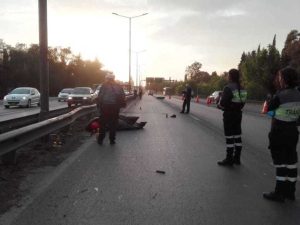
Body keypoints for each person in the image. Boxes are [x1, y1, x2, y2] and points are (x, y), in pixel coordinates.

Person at [263, 67, 300, 202]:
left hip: (279, 131)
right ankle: (290, 191)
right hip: (293, 131)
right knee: (291, 161)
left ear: (284, 79)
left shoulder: (280, 95)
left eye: (280, 77)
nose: (279, 79)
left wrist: (273, 111)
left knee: (280, 163)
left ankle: (279, 193)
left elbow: (269, 111)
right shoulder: (298, 93)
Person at [217, 69, 247, 166]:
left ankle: (229, 159)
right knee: (237, 136)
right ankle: (237, 158)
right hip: (238, 114)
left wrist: (220, 105)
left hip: (229, 115)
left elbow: (223, 103)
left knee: (229, 137)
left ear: (230, 76)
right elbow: (242, 103)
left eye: (228, 75)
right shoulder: (242, 88)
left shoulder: (228, 88)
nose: (227, 77)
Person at [97, 73, 126, 145]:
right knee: (113, 124)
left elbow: (100, 96)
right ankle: (112, 140)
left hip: (105, 107)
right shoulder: (118, 86)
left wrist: (98, 105)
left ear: (107, 78)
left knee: (103, 124)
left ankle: (101, 139)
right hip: (115, 108)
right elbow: (123, 96)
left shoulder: (104, 85)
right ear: (113, 78)